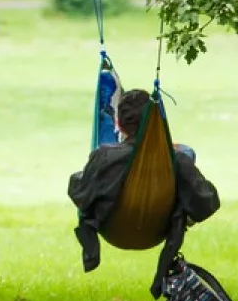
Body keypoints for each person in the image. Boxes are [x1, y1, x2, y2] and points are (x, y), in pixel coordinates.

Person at [68, 89, 220, 290]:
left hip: (112, 226)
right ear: (155, 124)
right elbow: (208, 202)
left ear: (119, 124)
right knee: (186, 166)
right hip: (158, 229)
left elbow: (81, 194)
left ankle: (90, 244)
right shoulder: (176, 160)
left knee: (80, 181)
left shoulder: (104, 157)